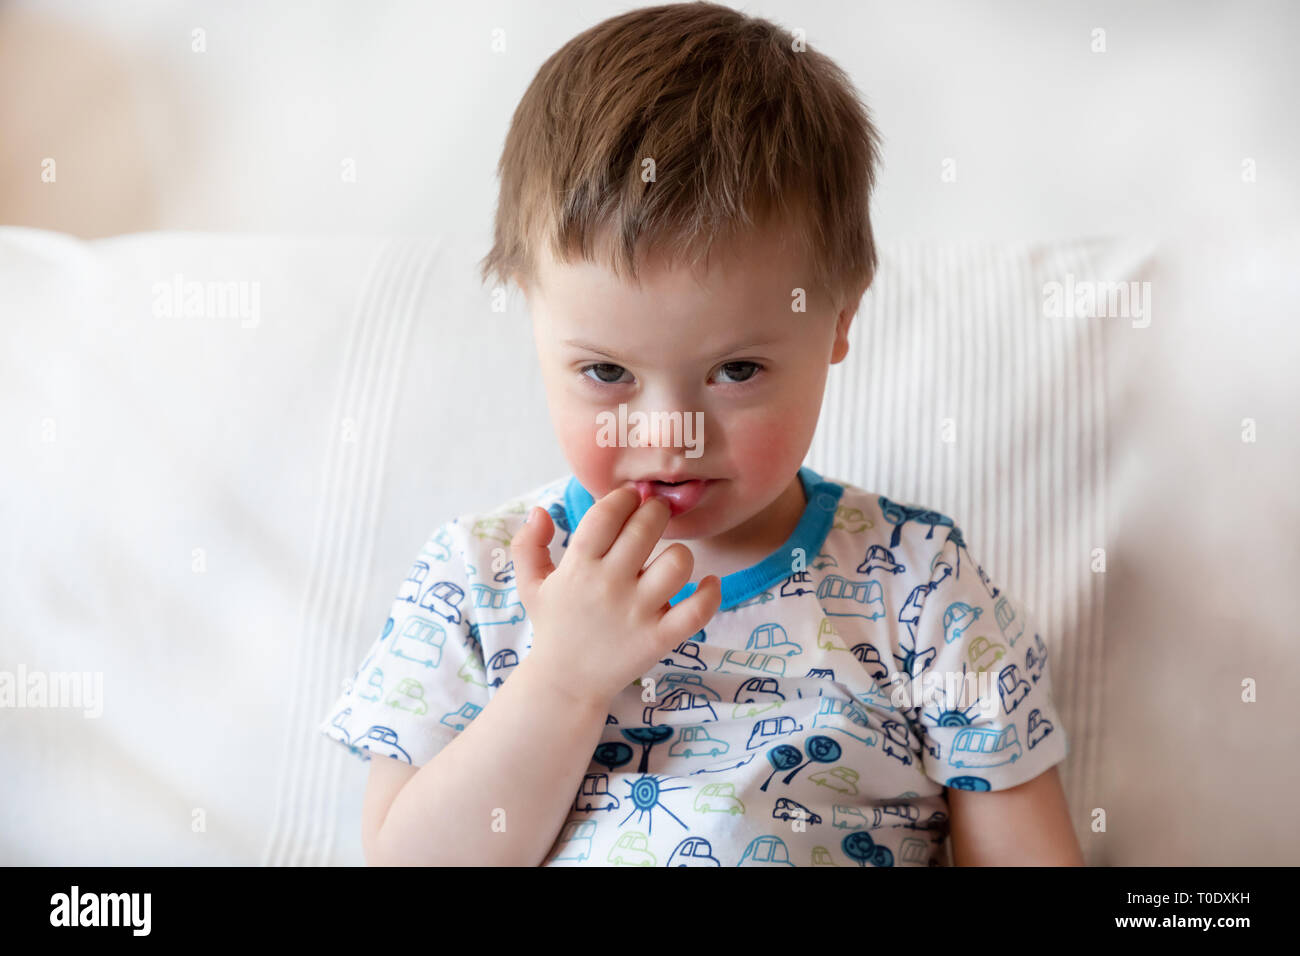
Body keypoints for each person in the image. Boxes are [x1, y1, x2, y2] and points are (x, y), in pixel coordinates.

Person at [320, 1, 1082, 867]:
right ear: (534, 319)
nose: (671, 437)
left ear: (839, 317)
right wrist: (562, 679)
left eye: (736, 371)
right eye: (606, 373)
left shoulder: (918, 591)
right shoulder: (480, 582)